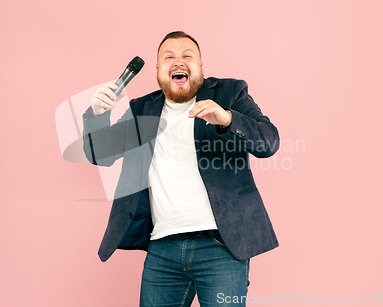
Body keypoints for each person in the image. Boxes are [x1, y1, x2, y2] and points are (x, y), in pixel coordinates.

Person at [82, 31, 279, 306]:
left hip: (221, 247)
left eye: (188, 56)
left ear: (200, 67)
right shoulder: (142, 109)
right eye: (169, 57)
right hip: (162, 249)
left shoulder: (230, 93)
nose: (179, 62)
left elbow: (269, 141)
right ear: (158, 71)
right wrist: (96, 116)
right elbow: (99, 154)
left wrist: (226, 119)